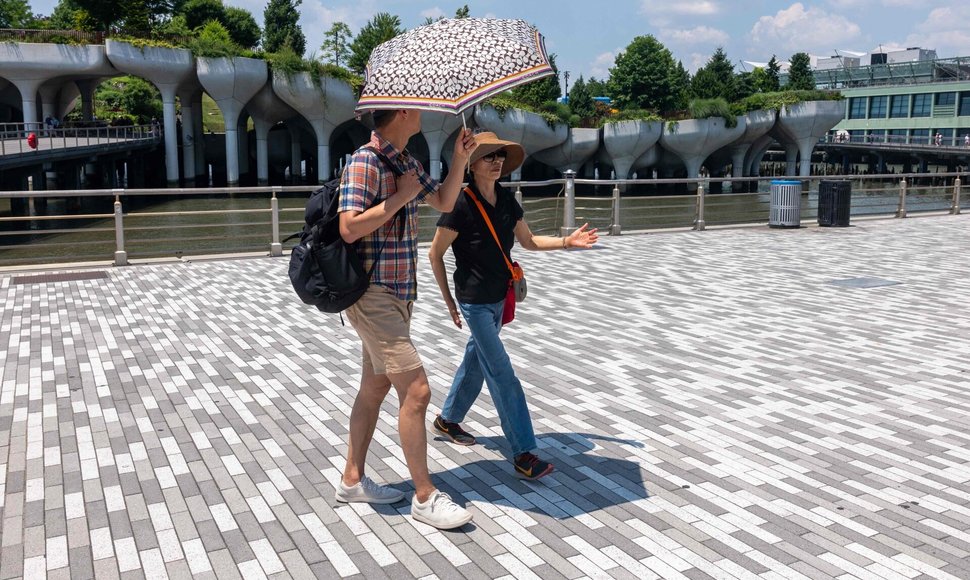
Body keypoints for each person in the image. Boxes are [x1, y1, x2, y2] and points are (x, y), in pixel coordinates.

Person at [334, 109, 478, 530]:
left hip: (400, 295)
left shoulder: (408, 161)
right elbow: (348, 228)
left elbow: (445, 201)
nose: (423, 113)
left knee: (375, 386)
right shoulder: (365, 161)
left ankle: (352, 481)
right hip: (372, 295)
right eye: (416, 108)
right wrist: (398, 196)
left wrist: (460, 158)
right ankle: (424, 496)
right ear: (400, 112)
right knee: (417, 391)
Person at [428, 132, 598, 481]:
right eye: (489, 157)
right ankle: (524, 452)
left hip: (498, 299)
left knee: (477, 362)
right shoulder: (460, 204)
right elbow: (435, 253)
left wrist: (568, 241)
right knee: (502, 374)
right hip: (474, 301)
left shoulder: (506, 201)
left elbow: (529, 241)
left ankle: (447, 420)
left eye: (500, 156)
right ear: (471, 165)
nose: (497, 162)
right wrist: (448, 301)